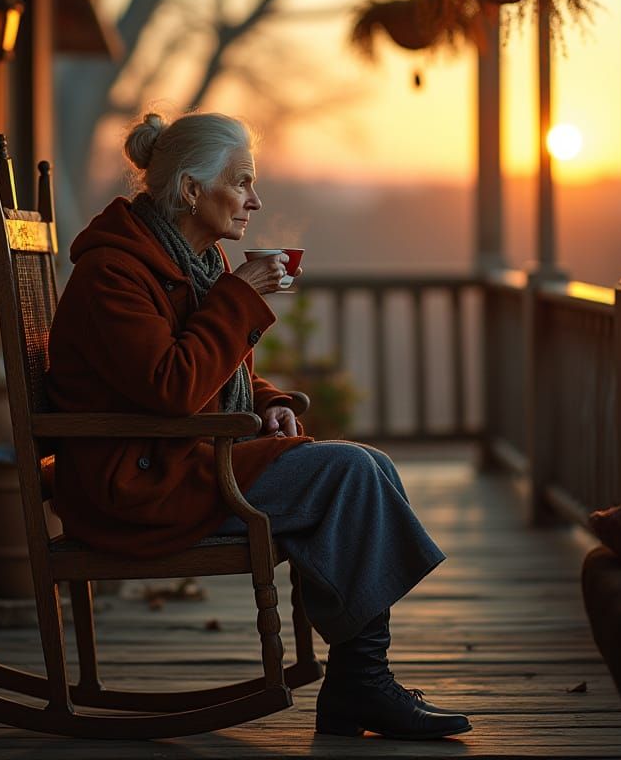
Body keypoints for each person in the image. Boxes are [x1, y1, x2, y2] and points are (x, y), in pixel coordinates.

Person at [45, 111, 471, 741]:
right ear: (192, 191)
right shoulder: (115, 274)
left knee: (367, 464)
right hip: (137, 482)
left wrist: (267, 398)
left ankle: (360, 679)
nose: (256, 199)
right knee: (351, 471)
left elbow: (203, 368)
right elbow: (173, 385)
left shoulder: (186, 258)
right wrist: (239, 296)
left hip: (181, 456)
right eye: (241, 182)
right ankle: (363, 684)